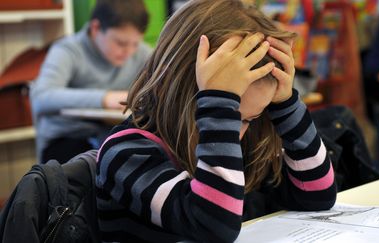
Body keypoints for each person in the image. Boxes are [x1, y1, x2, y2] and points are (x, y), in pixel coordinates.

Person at [95, 0, 337, 242]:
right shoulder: (126, 153)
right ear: (174, 88)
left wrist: (286, 103)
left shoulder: (235, 141)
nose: (238, 133)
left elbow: (317, 195)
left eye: (248, 120)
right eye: (230, 116)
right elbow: (214, 228)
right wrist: (219, 104)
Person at [30, 0, 152, 164]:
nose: (129, 52)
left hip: (116, 138)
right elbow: (41, 97)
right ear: (95, 28)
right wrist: (106, 98)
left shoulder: (142, 53)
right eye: (121, 43)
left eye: (135, 44)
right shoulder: (67, 50)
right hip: (69, 139)